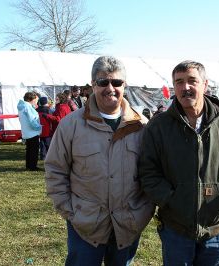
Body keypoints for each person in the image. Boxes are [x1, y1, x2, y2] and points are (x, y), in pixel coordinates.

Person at [138, 60, 219, 266]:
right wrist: (170, 199)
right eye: (179, 82)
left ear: (205, 84)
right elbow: (147, 170)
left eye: (192, 81)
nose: (185, 87)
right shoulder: (158, 126)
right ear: (173, 86)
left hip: (216, 227)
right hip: (176, 227)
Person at [45, 56, 154, 265]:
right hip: (85, 225)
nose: (110, 88)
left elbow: (153, 172)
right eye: (103, 82)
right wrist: (70, 210)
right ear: (93, 85)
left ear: (125, 85)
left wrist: (143, 210)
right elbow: (55, 170)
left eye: (117, 82)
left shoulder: (142, 126)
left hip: (128, 223)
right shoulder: (71, 125)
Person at [17, 91, 42, 171]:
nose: (36, 101)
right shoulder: (27, 107)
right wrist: (39, 127)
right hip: (32, 132)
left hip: (26, 131)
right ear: (31, 99)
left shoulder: (23, 106)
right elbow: (32, 120)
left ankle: (29, 165)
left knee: (29, 150)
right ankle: (33, 166)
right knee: (34, 150)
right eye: (35, 99)